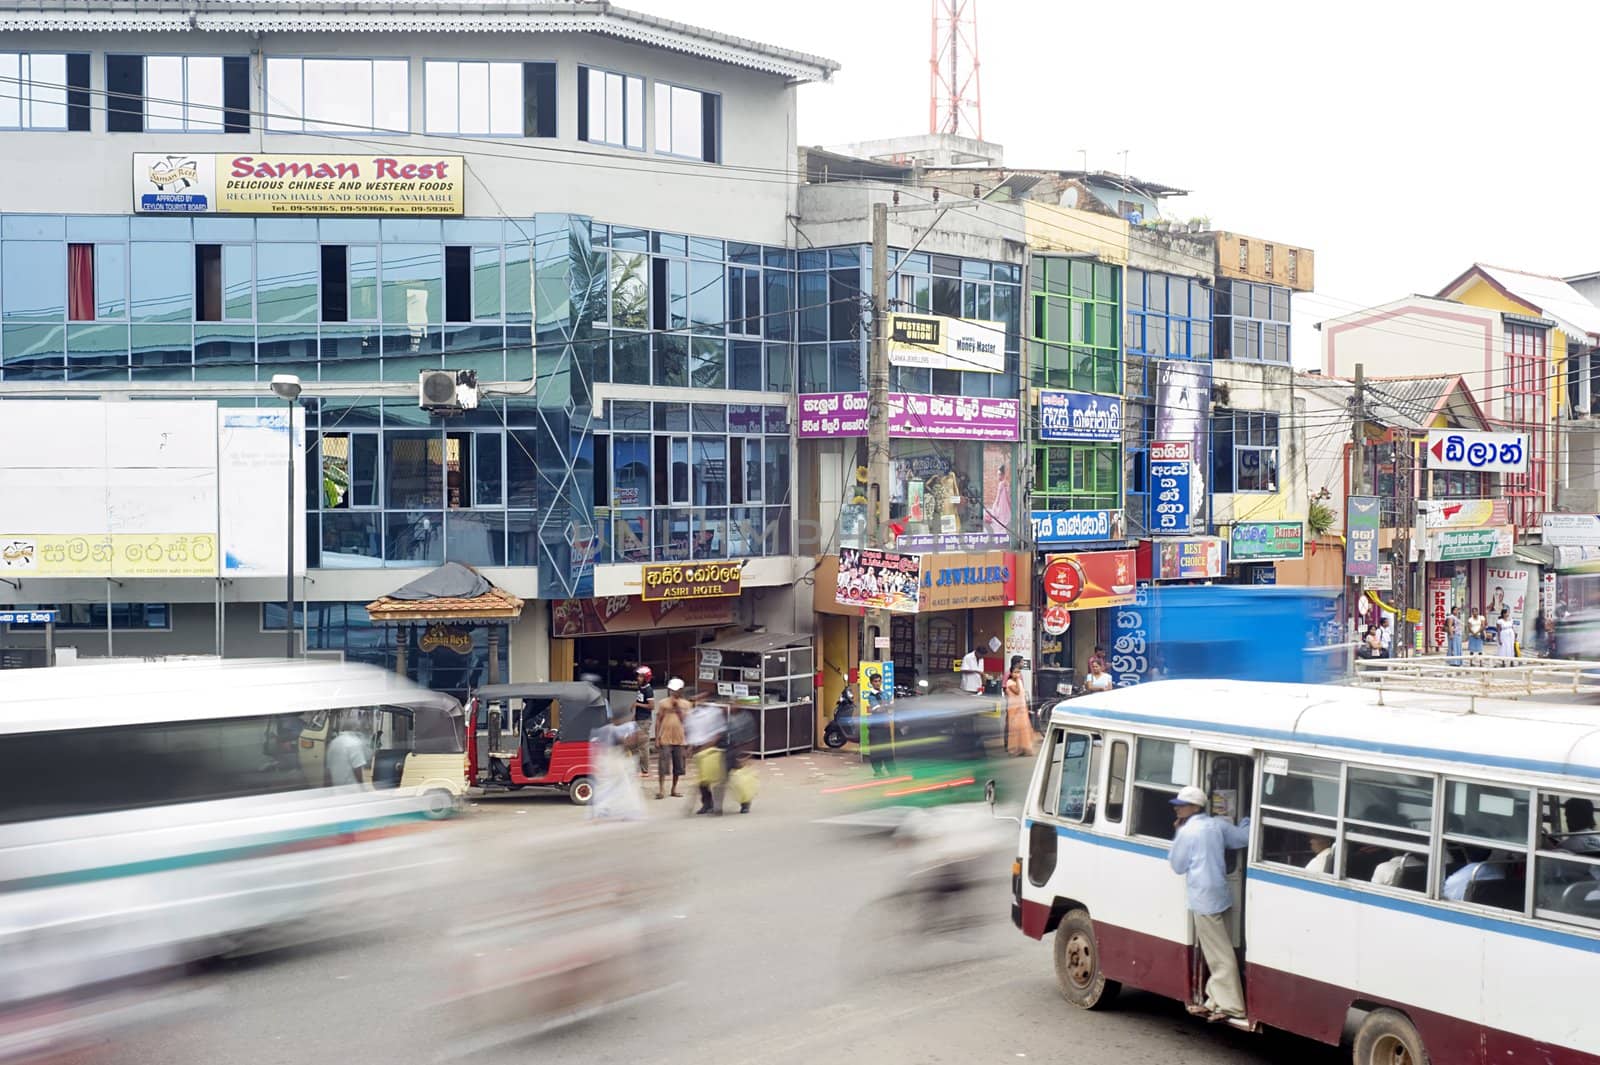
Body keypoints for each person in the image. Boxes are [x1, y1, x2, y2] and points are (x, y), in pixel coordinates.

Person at [1167, 785, 1250, 1023]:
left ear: (1194, 807)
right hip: (1221, 893)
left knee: (1219, 955)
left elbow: (1177, 866)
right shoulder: (1217, 825)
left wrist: (1176, 835)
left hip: (1203, 897)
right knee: (1217, 948)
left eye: (1181, 806)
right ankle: (1213, 1000)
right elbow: (1242, 838)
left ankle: (1232, 1006)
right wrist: (1246, 818)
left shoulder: (1187, 832)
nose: (1177, 810)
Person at [590, 706, 646, 822]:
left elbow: (638, 739)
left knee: (613, 786)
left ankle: (606, 811)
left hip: (617, 758)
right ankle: (623, 811)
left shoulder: (617, 728)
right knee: (621, 786)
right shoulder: (615, 729)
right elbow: (633, 740)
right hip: (615, 758)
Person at [685, 699, 727, 815]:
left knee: (716, 779)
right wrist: (690, 748)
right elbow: (691, 732)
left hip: (712, 750)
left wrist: (707, 746)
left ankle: (718, 805)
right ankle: (707, 803)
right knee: (703, 780)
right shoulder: (691, 715)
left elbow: (719, 733)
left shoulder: (714, 712)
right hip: (699, 751)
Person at [654, 678, 691, 800]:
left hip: (680, 739)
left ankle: (674, 788)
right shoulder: (663, 703)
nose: (673, 693)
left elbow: (687, 722)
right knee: (663, 765)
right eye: (672, 691)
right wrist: (657, 738)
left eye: (676, 691)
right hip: (665, 738)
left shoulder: (686, 704)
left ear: (681, 691)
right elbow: (658, 720)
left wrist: (677, 709)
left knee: (678, 766)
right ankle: (661, 789)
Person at [864, 669, 896, 777]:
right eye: (875, 681)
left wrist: (886, 706)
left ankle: (892, 771)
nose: (877, 683)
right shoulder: (871, 696)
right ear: (872, 683)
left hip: (885, 725)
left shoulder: (884, 694)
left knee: (888, 749)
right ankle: (878, 770)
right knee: (876, 750)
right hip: (875, 727)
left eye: (879, 681)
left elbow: (890, 706)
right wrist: (887, 706)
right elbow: (878, 709)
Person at [327, 710, 371, 787]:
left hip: (337, 790)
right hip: (351, 791)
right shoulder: (354, 744)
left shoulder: (333, 743)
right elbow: (358, 770)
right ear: (355, 729)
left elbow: (328, 771)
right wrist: (362, 787)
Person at [1003, 656, 1034, 757]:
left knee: (1022, 726)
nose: (1023, 663)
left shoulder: (1019, 675)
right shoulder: (1009, 676)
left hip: (1021, 705)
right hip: (1013, 705)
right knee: (1012, 725)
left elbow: (1021, 690)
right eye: (1021, 662)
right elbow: (1012, 690)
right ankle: (1010, 745)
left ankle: (1022, 747)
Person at [632, 665, 655, 776]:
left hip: (644, 720)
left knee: (643, 746)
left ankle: (645, 770)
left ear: (646, 678)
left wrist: (637, 704)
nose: (638, 678)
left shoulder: (648, 690)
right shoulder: (641, 688)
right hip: (638, 718)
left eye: (640, 677)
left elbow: (651, 706)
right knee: (636, 745)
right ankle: (637, 767)